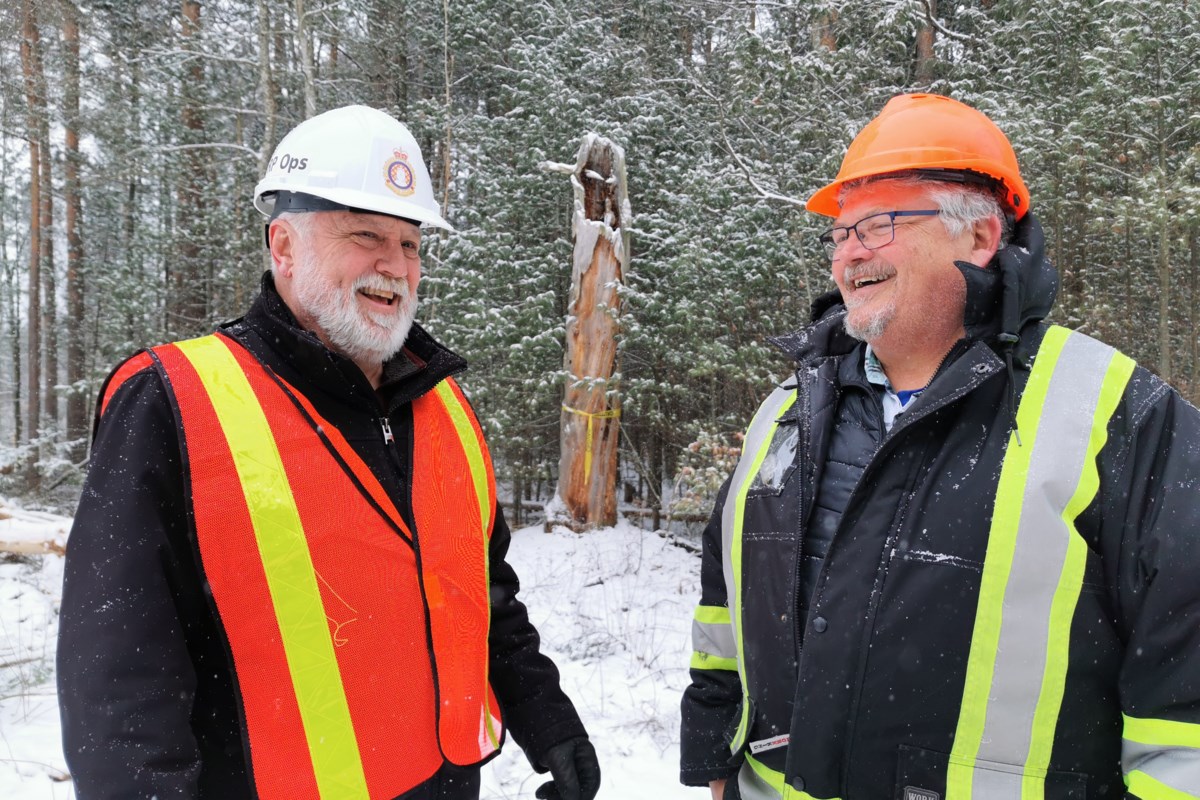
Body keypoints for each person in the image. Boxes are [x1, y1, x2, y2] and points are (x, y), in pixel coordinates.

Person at [58, 105, 601, 800]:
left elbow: (480, 595)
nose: (395, 265)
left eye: (410, 244)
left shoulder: (445, 411)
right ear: (282, 247)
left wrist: (546, 718)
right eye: (365, 234)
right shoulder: (175, 402)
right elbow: (119, 679)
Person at [679, 92, 1200, 800]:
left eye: (878, 224)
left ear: (980, 237)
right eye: (839, 233)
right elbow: (725, 600)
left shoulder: (1120, 417)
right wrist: (714, 748)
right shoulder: (786, 412)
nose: (847, 253)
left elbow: (1185, 686)